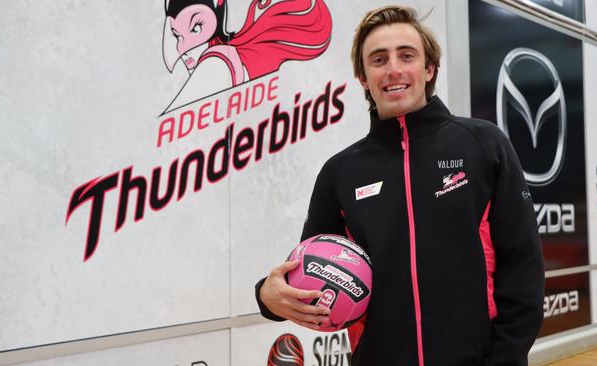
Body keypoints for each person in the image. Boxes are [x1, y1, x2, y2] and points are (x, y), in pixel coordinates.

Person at [255, 5, 545, 365]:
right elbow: (311, 275)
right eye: (378, 60)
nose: (394, 69)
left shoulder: (484, 146)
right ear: (363, 77)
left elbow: (523, 266)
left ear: (428, 69)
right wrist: (267, 297)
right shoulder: (340, 172)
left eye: (406, 56)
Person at [161, 0, 332, 113]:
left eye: (195, 28)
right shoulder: (229, 58)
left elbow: (170, 121)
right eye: (176, 35)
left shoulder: (215, 62)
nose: (183, 49)